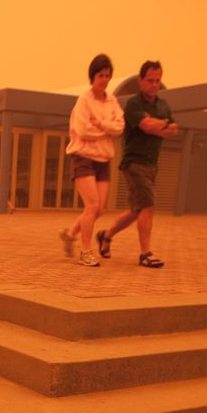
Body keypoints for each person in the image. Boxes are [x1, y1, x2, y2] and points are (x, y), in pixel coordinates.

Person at [96, 60, 179, 268]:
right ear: (141, 81)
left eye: (157, 80)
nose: (154, 84)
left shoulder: (162, 105)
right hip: (134, 163)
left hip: (152, 164)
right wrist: (159, 125)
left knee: (136, 210)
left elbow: (174, 129)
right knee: (148, 206)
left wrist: (157, 124)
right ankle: (145, 254)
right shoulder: (134, 104)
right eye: (150, 80)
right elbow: (145, 125)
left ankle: (106, 235)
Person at [60, 54, 125, 267]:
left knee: (99, 209)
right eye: (100, 75)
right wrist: (105, 130)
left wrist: (101, 125)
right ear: (92, 76)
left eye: (107, 75)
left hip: (103, 160)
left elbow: (120, 127)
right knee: (91, 206)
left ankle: (70, 234)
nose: (104, 79)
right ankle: (86, 251)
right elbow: (82, 130)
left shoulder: (112, 101)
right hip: (83, 157)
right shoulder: (83, 101)